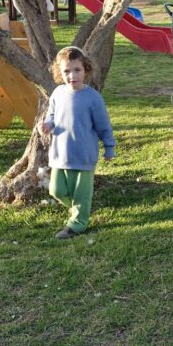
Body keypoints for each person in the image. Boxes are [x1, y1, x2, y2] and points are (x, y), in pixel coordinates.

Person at [39, 46, 116, 240]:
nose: (72, 76)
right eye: (66, 71)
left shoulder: (93, 98)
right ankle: (80, 209)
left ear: (86, 70)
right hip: (60, 154)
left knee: (81, 195)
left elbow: (103, 125)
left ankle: (78, 224)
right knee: (56, 190)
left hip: (84, 155)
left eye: (77, 70)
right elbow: (52, 115)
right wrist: (48, 124)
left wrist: (109, 147)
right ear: (59, 72)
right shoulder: (57, 93)